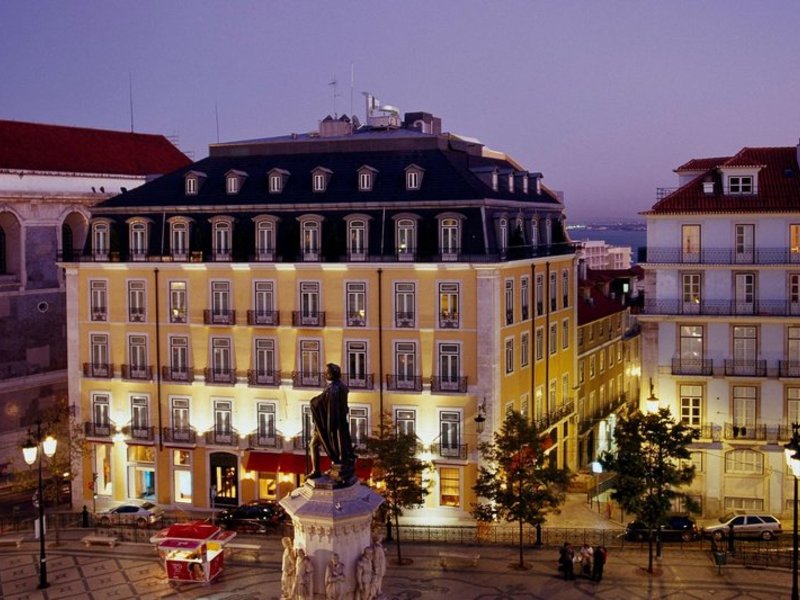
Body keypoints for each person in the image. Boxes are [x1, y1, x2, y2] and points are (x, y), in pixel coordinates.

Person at [308, 363, 357, 482]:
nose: (325, 374)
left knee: (313, 444)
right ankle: (333, 465)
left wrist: (313, 401)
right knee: (338, 446)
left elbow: (319, 402)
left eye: (327, 372)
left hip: (327, 424)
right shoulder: (342, 387)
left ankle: (316, 470)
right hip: (339, 424)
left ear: (331, 374)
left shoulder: (332, 389)